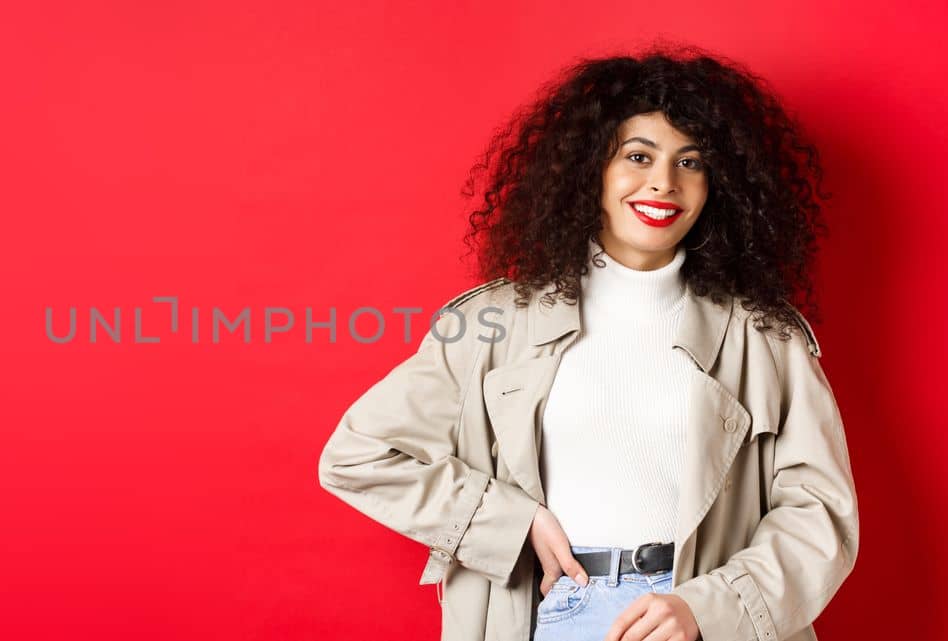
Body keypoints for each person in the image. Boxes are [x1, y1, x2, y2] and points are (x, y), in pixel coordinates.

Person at [317, 45, 858, 641]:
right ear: (589, 169)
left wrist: (709, 608)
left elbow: (821, 517)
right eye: (637, 156)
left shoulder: (764, 336)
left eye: (691, 162)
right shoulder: (493, 324)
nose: (663, 183)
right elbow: (358, 455)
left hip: (697, 620)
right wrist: (511, 522)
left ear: (717, 186)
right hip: (550, 610)